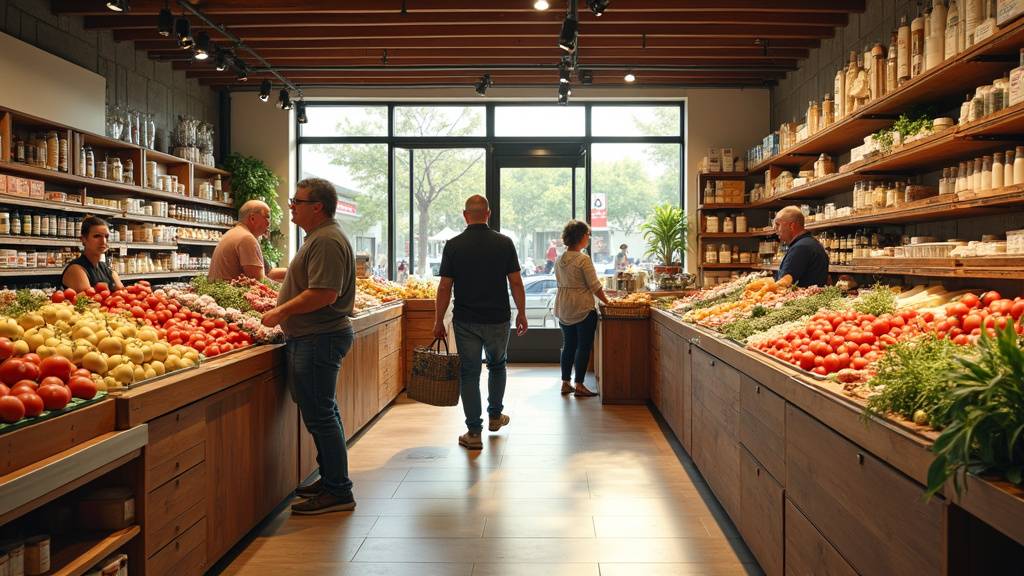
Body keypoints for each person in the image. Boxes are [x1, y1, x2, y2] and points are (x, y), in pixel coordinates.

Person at [261, 178, 357, 515]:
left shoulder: (326, 240)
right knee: (324, 413)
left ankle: (338, 490)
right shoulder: (320, 237)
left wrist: (281, 311)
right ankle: (332, 479)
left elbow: (324, 293)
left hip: (319, 337)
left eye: (297, 201)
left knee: (321, 416)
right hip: (316, 337)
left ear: (317, 207)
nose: (291, 207)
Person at [433, 195, 527, 451]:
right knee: (497, 365)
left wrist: (438, 319)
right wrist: (522, 312)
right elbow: (516, 282)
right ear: (488, 214)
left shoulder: (453, 245)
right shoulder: (504, 243)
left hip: (466, 320)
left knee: (470, 373)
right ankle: (495, 417)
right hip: (498, 318)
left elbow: (444, 286)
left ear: (465, 215)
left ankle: (474, 432)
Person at [554, 220, 610, 397]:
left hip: (564, 306)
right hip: (582, 307)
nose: (589, 238)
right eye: (588, 235)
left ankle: (565, 383)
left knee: (568, 345)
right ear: (581, 236)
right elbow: (595, 286)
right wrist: (608, 302)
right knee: (583, 347)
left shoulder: (559, 259)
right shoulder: (583, 259)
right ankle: (579, 384)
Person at [208, 200, 275, 282]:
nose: (268, 223)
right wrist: (282, 287)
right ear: (252, 218)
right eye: (267, 217)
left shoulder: (232, 233)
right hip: (231, 290)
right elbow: (259, 281)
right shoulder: (247, 238)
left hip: (220, 289)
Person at [61, 215, 124, 292]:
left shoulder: (105, 268)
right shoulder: (75, 269)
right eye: (97, 236)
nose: (103, 241)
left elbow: (122, 292)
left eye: (106, 237)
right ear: (83, 239)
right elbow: (90, 298)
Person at [774, 205, 829, 287]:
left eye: (778, 224)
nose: (775, 228)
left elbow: (782, 285)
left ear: (791, 226)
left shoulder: (801, 248)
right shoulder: (810, 243)